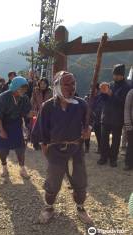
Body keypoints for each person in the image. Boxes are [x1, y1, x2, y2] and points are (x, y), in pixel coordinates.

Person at [34, 71, 92, 224]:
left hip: (75, 149)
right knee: (53, 182)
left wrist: (88, 131)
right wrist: (44, 147)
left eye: (73, 83)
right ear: (57, 86)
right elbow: (42, 130)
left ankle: (80, 208)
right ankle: (49, 208)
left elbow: (87, 125)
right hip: (55, 151)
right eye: (66, 84)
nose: (71, 87)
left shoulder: (82, 104)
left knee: (80, 182)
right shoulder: (47, 106)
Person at [0, 76, 33, 178]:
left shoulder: (24, 98)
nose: (24, 91)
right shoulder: (3, 97)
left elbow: (25, 112)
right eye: (22, 88)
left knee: (20, 148)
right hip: (3, 123)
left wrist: (30, 114)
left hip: (16, 124)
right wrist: (1, 130)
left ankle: (22, 169)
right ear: (15, 87)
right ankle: (4, 168)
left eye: (25, 88)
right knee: (2, 149)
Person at [98, 64, 130, 167]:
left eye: (117, 74)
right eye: (114, 74)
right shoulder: (110, 84)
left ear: (122, 75)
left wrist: (111, 94)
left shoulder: (127, 87)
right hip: (106, 115)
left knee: (116, 140)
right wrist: (102, 92)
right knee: (104, 139)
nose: (115, 76)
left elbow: (124, 103)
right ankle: (104, 157)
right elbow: (103, 100)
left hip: (118, 117)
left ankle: (113, 159)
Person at [31, 78, 52, 150]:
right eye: (41, 84)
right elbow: (33, 100)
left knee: (46, 128)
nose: (42, 85)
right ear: (39, 84)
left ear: (47, 84)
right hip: (37, 111)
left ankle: (45, 142)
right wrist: (34, 109)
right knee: (36, 128)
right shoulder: (35, 90)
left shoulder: (50, 91)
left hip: (47, 112)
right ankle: (35, 144)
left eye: (44, 84)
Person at [124, 88, 133, 171]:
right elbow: (127, 109)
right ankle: (128, 163)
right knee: (130, 145)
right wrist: (128, 124)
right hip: (131, 124)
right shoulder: (131, 93)